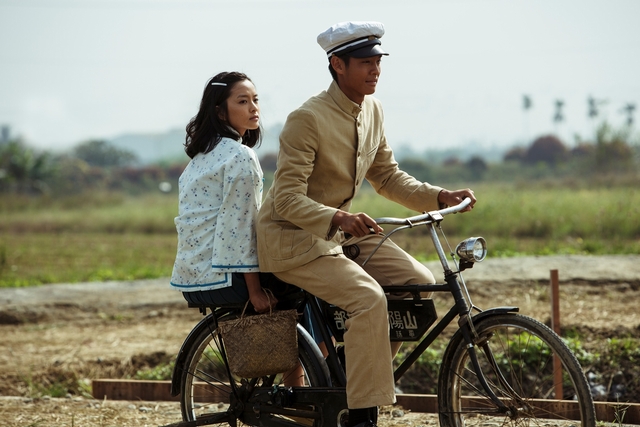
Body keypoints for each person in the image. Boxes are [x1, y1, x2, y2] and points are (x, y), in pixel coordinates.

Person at [256, 21, 477, 427]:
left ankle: (349, 371)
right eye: (364, 62)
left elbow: (387, 176)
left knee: (416, 281)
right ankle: (360, 416)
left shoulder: (372, 110)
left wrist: (440, 196)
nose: (375, 70)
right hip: (293, 240)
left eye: (378, 62)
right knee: (368, 299)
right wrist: (338, 216)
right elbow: (285, 199)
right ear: (337, 65)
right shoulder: (307, 118)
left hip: (336, 236)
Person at [170, 71, 277, 314]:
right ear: (220, 112)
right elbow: (241, 225)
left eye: (255, 100)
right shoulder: (240, 155)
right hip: (225, 278)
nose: (253, 108)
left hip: (190, 278)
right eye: (242, 101)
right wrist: (255, 292)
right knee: (310, 278)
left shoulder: (198, 159)